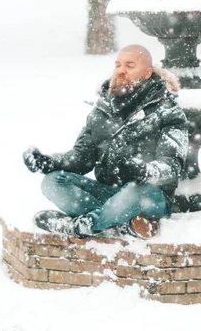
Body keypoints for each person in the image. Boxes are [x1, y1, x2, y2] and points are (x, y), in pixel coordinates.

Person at [23, 45, 188, 239]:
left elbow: (172, 164)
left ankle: (81, 226)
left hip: (149, 196)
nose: (121, 70)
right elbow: (82, 156)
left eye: (130, 65)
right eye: (117, 65)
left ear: (146, 73)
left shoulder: (168, 112)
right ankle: (120, 225)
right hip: (109, 193)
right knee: (52, 181)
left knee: (136, 191)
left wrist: (144, 171)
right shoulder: (102, 109)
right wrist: (51, 162)